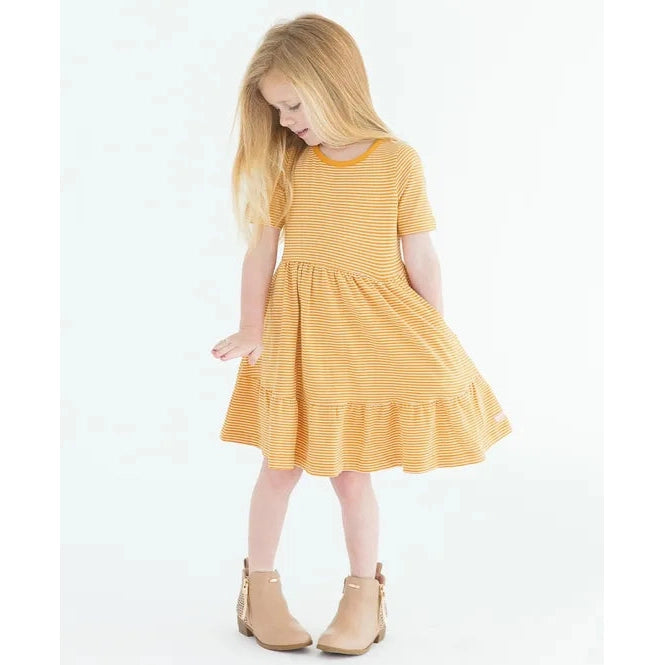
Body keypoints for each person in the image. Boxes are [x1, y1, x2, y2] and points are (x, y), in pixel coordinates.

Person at [210, 12, 512, 656]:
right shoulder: (290, 167)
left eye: (294, 105)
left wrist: (432, 330)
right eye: (277, 110)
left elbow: (420, 255)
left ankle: (364, 597)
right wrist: (251, 327)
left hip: (365, 336)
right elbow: (260, 254)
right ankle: (259, 590)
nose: (286, 120)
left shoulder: (397, 161)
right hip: (297, 335)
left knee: (352, 474)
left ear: (334, 84)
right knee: (280, 465)